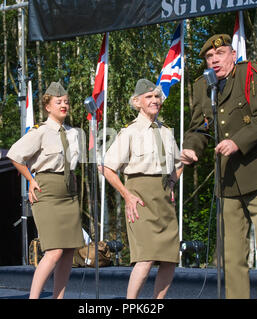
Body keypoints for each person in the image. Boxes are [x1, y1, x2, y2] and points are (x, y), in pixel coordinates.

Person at [181, 34, 257, 299]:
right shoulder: (202, 87)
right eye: (209, 57)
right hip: (228, 181)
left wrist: (237, 143)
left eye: (220, 55)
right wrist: (191, 148)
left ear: (233, 55)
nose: (214, 60)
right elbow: (200, 127)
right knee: (230, 256)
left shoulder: (249, 73)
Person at [100, 79, 183, 299]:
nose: (155, 100)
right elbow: (107, 168)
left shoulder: (166, 130)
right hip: (139, 196)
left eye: (157, 96)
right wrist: (127, 196)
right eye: (149, 97)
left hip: (164, 197)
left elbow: (178, 163)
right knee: (145, 258)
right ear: (137, 102)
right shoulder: (129, 132)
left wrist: (172, 184)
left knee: (169, 258)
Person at [7, 82, 84, 299]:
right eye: (58, 102)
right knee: (54, 251)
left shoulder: (74, 133)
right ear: (48, 106)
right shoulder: (40, 131)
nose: (64, 105)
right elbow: (15, 155)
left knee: (69, 250)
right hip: (47, 190)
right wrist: (30, 180)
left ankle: (58, 296)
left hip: (69, 191)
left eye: (66, 102)